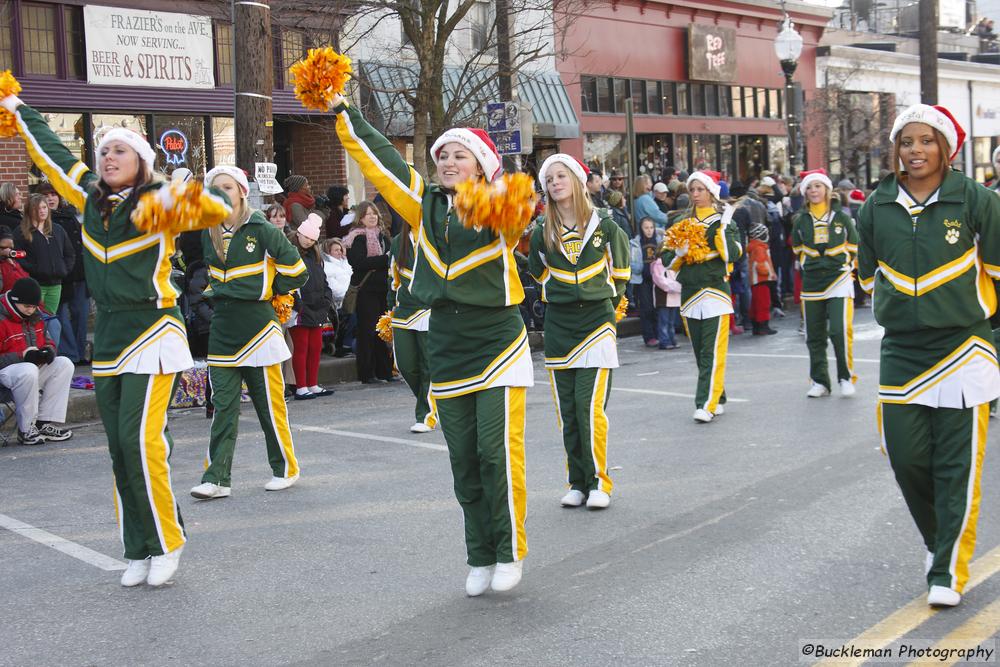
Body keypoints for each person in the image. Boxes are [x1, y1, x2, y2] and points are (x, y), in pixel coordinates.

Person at [2, 90, 231, 587]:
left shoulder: (156, 199)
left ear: (142, 162)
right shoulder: (86, 195)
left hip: (153, 327)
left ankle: (168, 541)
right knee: (119, 448)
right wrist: (20, 110)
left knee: (140, 439)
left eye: (119, 150)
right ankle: (139, 547)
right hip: (108, 335)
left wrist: (173, 196)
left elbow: (216, 205)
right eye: (104, 149)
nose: (108, 156)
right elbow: (53, 152)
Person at [331, 92, 532, 596]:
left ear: (482, 165)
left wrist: (497, 189)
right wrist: (344, 111)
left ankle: (508, 550)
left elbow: (522, 213)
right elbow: (382, 163)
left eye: (458, 154)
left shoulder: (499, 207)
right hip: (446, 340)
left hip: (496, 340)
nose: (446, 161)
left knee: (495, 453)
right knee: (462, 458)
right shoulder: (422, 206)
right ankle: (480, 554)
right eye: (441, 155)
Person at [857, 104, 1000, 608]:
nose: (916, 150)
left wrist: (995, 348)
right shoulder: (875, 205)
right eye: (907, 141)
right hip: (902, 349)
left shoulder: (977, 200)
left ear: (946, 147)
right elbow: (868, 272)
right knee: (907, 457)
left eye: (927, 140)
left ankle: (947, 569)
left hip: (965, 346)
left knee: (955, 465)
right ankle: (940, 543)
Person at [189, 165, 308, 500]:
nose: (220, 192)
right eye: (214, 187)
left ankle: (285, 468)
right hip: (223, 329)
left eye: (227, 187)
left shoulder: (263, 229)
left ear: (242, 191)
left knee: (269, 406)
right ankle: (217, 478)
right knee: (221, 405)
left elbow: (297, 272)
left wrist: (269, 291)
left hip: (259, 327)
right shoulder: (207, 231)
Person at [528, 154, 630, 510]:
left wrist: (601, 300)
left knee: (589, 409)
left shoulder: (606, 225)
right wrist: (558, 293)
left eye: (561, 176)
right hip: (559, 326)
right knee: (567, 411)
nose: (555, 183)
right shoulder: (542, 231)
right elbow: (537, 271)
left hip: (597, 324)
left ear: (576, 180)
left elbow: (621, 272)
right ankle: (578, 481)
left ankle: (600, 481)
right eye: (549, 179)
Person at [660, 170, 743, 423]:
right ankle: (718, 396)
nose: (695, 195)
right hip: (690, 294)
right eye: (692, 190)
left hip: (715, 291)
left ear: (711, 193)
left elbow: (734, 254)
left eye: (700, 190)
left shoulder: (724, 221)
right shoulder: (680, 223)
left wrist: (722, 230)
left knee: (711, 352)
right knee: (700, 352)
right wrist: (679, 254)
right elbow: (665, 260)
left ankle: (704, 404)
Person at [792, 168, 859, 397]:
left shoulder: (841, 217)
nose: (814, 191)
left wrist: (843, 263)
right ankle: (820, 381)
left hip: (838, 280)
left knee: (839, 331)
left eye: (818, 186)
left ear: (828, 189)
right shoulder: (800, 220)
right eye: (809, 187)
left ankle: (846, 377)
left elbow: (854, 245)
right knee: (814, 334)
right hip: (811, 283)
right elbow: (797, 248)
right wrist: (808, 263)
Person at [0, 277, 73, 445]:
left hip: (29, 373)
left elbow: (48, 341)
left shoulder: (37, 315)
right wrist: (22, 356)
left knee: (64, 364)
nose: (31, 310)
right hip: (6, 375)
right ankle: (26, 429)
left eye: (34, 306)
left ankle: (43, 423)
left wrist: (48, 351)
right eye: (27, 306)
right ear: (14, 301)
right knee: (28, 369)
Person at [389, 223, 437, 433]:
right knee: (404, 364)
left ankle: (426, 414)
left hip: (429, 310)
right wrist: (390, 307)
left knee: (428, 366)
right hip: (403, 311)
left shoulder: (435, 236)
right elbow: (393, 279)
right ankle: (437, 401)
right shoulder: (398, 242)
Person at [345, 201, 393, 384]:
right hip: (366, 290)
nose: (372, 217)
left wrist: (384, 260)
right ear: (361, 218)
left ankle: (385, 372)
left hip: (383, 289)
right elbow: (358, 263)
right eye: (368, 214)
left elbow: (391, 259)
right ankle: (367, 373)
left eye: (374, 213)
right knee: (367, 331)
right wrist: (383, 259)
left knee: (383, 331)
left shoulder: (384, 236)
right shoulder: (356, 238)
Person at [38, 182, 87, 364]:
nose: (51, 198)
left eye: (54, 194)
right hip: (58, 277)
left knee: (80, 316)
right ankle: (69, 354)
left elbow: (79, 246)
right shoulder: (42, 223)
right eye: (46, 195)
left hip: (79, 274)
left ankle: (79, 354)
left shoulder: (70, 216)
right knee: (60, 318)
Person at [289, 213, 334, 398]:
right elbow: (289, 282)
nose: (308, 241)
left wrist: (326, 299)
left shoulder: (315, 257)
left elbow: (323, 281)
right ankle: (301, 386)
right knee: (301, 348)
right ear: (299, 234)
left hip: (318, 308)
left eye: (312, 239)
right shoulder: (290, 254)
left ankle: (312, 383)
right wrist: (299, 306)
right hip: (300, 309)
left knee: (316, 347)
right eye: (306, 236)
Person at [13, 193, 74, 316]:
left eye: (44, 207)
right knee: (35, 319)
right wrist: (34, 269)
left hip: (55, 285)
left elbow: (70, 253)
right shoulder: (21, 232)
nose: (42, 211)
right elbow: (17, 256)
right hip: (35, 284)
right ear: (30, 211)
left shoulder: (58, 230)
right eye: (37, 209)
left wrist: (63, 270)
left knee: (50, 319)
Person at [630, 217, 662, 347]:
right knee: (646, 309)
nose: (649, 231)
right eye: (646, 228)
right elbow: (631, 262)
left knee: (658, 308)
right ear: (641, 229)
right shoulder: (635, 243)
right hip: (642, 280)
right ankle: (649, 336)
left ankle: (659, 334)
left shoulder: (660, 241)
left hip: (658, 280)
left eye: (651, 227)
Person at [746, 223, 777, 335]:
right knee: (763, 303)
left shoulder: (753, 246)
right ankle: (763, 327)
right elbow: (760, 265)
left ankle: (756, 326)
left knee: (755, 304)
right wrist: (769, 273)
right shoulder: (759, 248)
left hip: (755, 281)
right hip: (762, 280)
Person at [650, 259, 681, 348]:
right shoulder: (658, 264)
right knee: (664, 321)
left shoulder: (674, 263)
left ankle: (672, 339)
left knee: (671, 322)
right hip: (663, 297)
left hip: (674, 297)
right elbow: (659, 279)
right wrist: (674, 286)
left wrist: (677, 286)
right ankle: (664, 341)